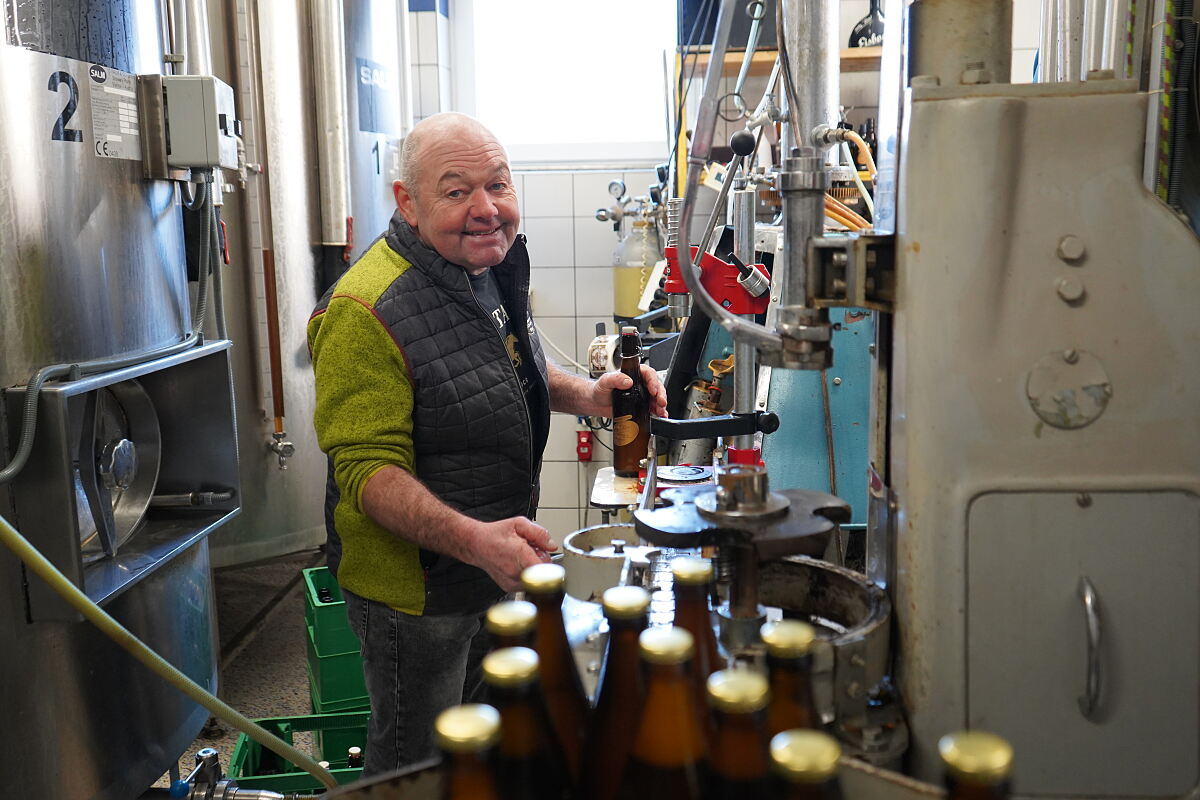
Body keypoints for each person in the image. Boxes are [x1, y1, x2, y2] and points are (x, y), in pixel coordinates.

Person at [307, 112, 667, 775]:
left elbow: (514, 369)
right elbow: (367, 471)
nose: (486, 209)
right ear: (406, 204)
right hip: (417, 595)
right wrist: (475, 541)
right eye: (455, 191)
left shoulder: (488, 266)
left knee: (478, 747)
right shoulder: (364, 311)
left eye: (497, 185)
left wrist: (591, 396)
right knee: (415, 763)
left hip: (487, 565)